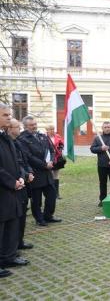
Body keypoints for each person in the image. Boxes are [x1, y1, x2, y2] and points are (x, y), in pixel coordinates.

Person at [0, 104, 28, 278]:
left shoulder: (5, 137)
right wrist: (12, 182)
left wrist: (20, 177)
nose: (9, 118)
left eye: (9, 115)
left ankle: (8, 257)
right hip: (4, 188)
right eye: (5, 115)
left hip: (12, 189)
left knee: (12, 222)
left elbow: (15, 161)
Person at [18, 116, 61, 226]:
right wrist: (44, 165)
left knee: (52, 195)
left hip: (47, 173)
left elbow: (51, 150)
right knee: (36, 200)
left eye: (35, 124)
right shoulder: (22, 139)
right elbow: (28, 156)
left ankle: (48, 215)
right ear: (25, 126)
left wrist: (51, 161)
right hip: (35, 173)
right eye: (31, 125)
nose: (34, 126)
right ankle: (39, 218)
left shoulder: (42, 136)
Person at [7, 118, 34, 250]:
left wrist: (29, 172)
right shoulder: (8, 143)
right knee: (15, 217)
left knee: (22, 214)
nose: (20, 129)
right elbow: (15, 164)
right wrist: (23, 175)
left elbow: (24, 161)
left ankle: (19, 242)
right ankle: (12, 246)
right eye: (18, 127)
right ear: (10, 129)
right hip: (14, 184)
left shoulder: (18, 143)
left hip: (23, 183)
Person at [46, 124, 65, 199]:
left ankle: (57, 193)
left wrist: (59, 150)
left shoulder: (58, 136)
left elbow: (61, 145)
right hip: (48, 159)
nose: (52, 131)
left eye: (53, 129)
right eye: (50, 129)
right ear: (47, 130)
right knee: (49, 175)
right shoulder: (44, 138)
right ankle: (51, 193)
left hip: (57, 158)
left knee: (56, 176)